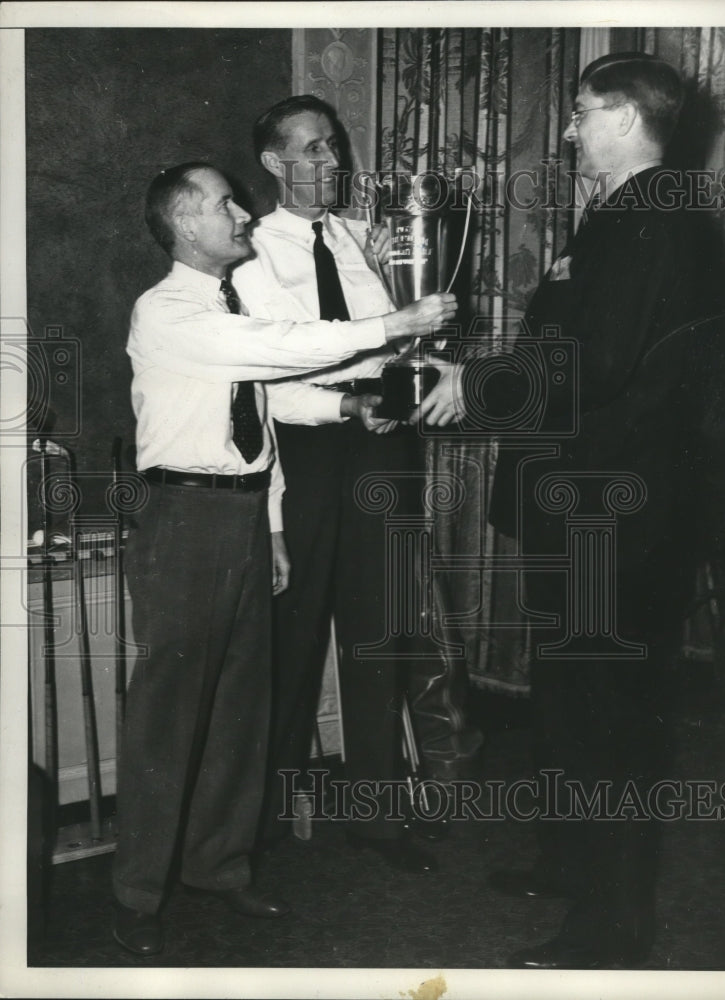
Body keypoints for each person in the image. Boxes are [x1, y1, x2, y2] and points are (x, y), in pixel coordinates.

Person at [414, 53, 716, 968]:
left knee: (604, 721)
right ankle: (566, 866)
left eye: (584, 112)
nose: (572, 128)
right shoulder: (638, 216)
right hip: (597, 505)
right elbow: (579, 333)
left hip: (607, 516)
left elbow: (597, 365)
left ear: (627, 118)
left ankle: (610, 930)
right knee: (573, 700)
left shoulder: (647, 222)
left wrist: (478, 385)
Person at [112, 160, 455, 956]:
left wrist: (347, 406)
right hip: (184, 520)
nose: (240, 213)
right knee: (169, 717)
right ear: (185, 224)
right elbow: (271, 351)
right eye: (224, 204)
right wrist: (391, 328)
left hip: (239, 517)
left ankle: (218, 871)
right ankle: (136, 897)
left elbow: (263, 406)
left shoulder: (224, 309)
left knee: (240, 709)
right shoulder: (166, 310)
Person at [232, 95, 482, 875]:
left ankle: (375, 815)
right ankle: (261, 822)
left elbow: (392, 345)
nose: (331, 162)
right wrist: (351, 398)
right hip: (304, 457)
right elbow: (269, 373)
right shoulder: (252, 255)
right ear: (274, 163)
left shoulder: (358, 242)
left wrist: (426, 364)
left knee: (381, 633)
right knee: (294, 637)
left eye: (334, 147)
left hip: (382, 452)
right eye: (311, 150)